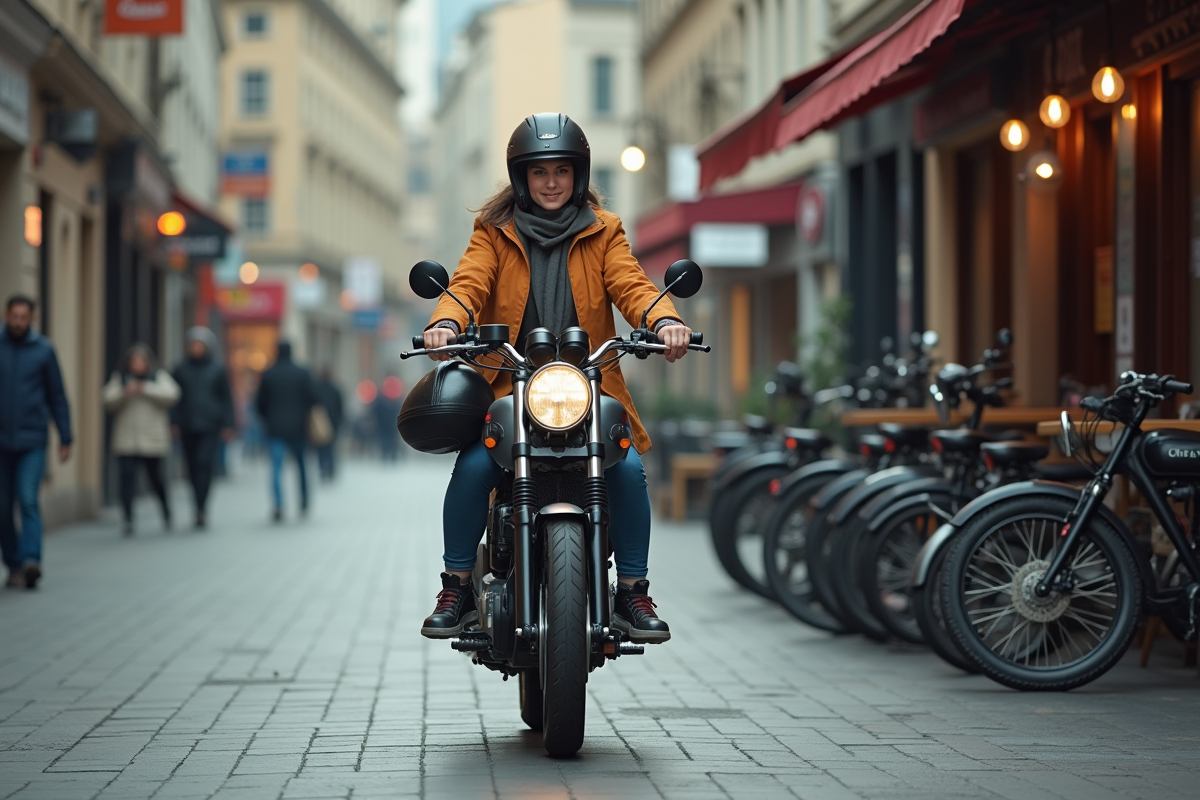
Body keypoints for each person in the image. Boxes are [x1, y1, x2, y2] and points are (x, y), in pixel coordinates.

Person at [419, 113, 693, 643]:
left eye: (562, 171)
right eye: (540, 172)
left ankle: (632, 590)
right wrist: (446, 322)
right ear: (522, 178)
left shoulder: (605, 229)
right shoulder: (494, 232)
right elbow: (468, 283)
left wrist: (664, 320)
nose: (551, 182)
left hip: (587, 387)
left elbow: (632, 284)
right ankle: (456, 586)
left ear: (578, 175)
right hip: (512, 385)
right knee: (474, 465)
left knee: (628, 470)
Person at [0, 295, 72, 590]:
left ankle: (31, 561)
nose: (18, 322)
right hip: (1, 442)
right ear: (6, 315)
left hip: (32, 440)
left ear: (32, 319)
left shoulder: (44, 351)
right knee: (3, 507)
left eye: (23, 317)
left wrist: (66, 437)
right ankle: (14, 564)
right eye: (14, 316)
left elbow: (57, 396)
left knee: (28, 498)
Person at [103, 344, 180, 535]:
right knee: (127, 478)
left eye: (141, 361)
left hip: (151, 439)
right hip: (127, 438)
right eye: (134, 361)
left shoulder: (157, 376)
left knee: (155, 479)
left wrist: (145, 388)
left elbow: (173, 394)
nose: (137, 365)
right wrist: (125, 392)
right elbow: (107, 399)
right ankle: (128, 518)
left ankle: (166, 512)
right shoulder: (121, 378)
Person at [171, 327, 235, 529]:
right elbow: (174, 400)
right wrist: (173, 422)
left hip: (210, 425)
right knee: (191, 467)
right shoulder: (181, 370)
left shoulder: (217, 369)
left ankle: (202, 507)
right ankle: (196, 505)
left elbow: (226, 398)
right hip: (188, 424)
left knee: (205, 464)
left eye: (199, 345)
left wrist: (228, 424)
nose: (196, 348)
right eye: (193, 345)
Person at [255, 341, 317, 521]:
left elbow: (259, 403)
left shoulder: (269, 374)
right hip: (298, 427)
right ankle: (304, 500)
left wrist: (268, 418)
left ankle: (278, 504)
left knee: (276, 467)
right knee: (301, 466)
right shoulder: (302, 373)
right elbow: (313, 398)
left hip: (275, 428)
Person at [313, 368, 344, 480]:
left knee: (322, 448)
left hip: (321, 423)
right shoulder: (334, 390)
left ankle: (324, 468)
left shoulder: (317, 389)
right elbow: (340, 407)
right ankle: (329, 469)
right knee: (329, 447)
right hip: (331, 423)